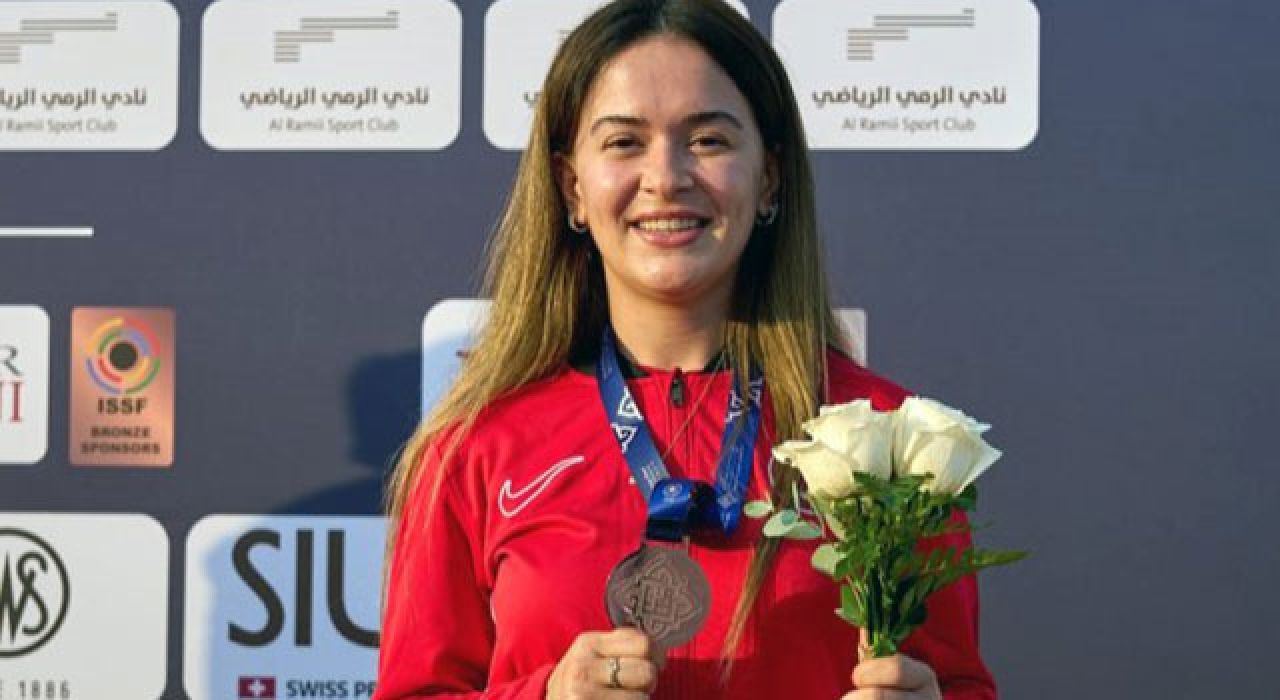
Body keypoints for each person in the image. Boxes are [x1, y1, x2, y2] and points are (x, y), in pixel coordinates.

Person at [375, 1, 996, 698]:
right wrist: (542, 695)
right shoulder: (475, 448)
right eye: (624, 142)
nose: (666, 177)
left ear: (770, 177)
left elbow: (959, 683)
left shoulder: (889, 442)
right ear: (572, 186)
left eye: (707, 140)